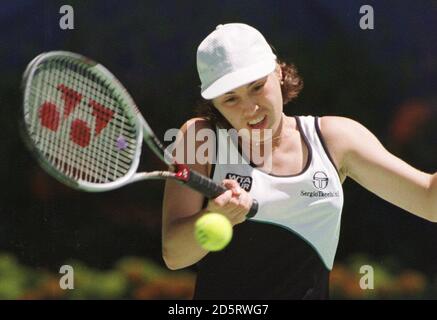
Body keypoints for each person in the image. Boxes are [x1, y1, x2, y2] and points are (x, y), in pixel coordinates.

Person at [162, 23, 437, 299]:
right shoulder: (200, 138)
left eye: (257, 87)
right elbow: (174, 255)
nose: (250, 108)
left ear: (279, 72)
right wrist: (216, 216)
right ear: (214, 105)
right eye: (230, 99)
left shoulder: (336, 139)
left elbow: (429, 200)